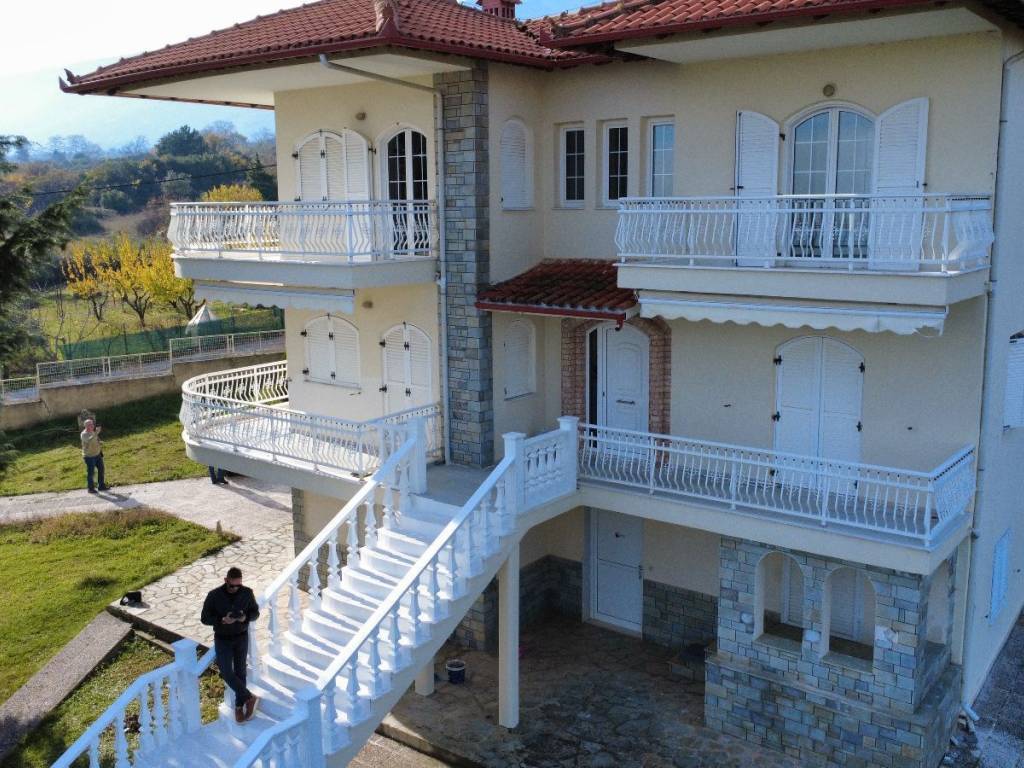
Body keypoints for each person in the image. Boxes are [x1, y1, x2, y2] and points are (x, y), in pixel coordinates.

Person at [201, 567, 260, 723]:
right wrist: (221, 619)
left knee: (241, 672)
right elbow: (204, 618)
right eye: (232, 585)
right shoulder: (214, 595)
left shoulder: (247, 593)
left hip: (241, 637)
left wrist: (244, 617)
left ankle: (239, 706)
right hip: (223, 639)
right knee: (226, 672)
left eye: (238, 585)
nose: (235, 588)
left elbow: (255, 613)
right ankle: (249, 697)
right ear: (226, 580)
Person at [80, 419, 108, 493]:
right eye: (90, 424)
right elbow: (89, 440)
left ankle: (101, 486)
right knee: (91, 472)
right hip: (89, 456)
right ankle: (90, 488)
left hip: (97, 454)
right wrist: (96, 433)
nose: (92, 425)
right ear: (86, 426)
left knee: (101, 469)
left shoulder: (92, 431)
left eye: (92, 424)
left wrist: (100, 441)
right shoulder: (84, 434)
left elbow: (96, 439)